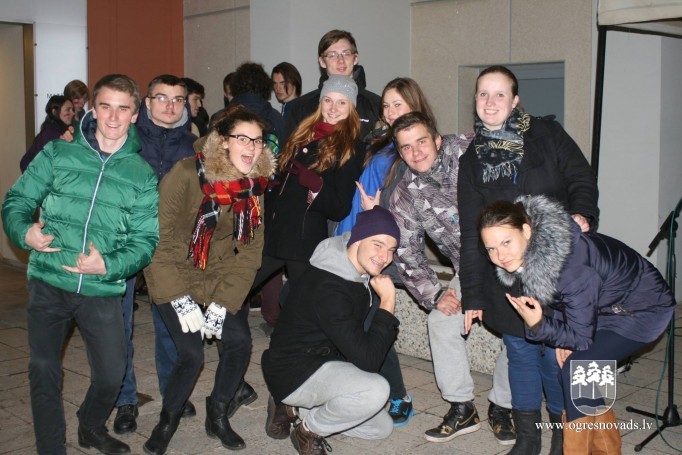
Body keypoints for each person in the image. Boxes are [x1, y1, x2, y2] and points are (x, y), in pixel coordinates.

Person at [2, 73, 159, 455]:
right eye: (105, 106)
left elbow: (145, 241)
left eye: (123, 108)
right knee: (43, 370)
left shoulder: (141, 174)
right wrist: (24, 231)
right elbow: (17, 201)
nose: (113, 117)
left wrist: (108, 265)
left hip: (100, 289)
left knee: (111, 374)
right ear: (92, 108)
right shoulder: (58, 153)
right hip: (49, 281)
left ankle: (90, 426)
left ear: (135, 115)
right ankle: (51, 448)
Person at [458, 65, 600, 455]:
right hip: (505, 272)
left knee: (556, 355)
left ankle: (563, 438)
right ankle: (527, 439)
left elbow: (581, 178)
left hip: (558, 265)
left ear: (515, 100)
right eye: (482, 94)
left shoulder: (546, 134)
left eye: (499, 94)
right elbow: (471, 231)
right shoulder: (471, 159)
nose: (490, 102)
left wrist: (584, 214)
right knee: (520, 353)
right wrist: (473, 295)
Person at [478, 195, 675, 454]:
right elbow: (563, 300)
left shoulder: (570, 264)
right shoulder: (541, 249)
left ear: (526, 230)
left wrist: (539, 325)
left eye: (506, 242)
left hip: (642, 310)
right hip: (606, 306)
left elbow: (579, 329)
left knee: (577, 368)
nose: (500, 256)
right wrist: (563, 334)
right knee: (585, 373)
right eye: (491, 249)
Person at [142, 105, 275, 454]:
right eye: (242, 138)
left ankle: (217, 413)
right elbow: (159, 241)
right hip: (176, 271)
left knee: (240, 342)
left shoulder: (253, 186)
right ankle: (167, 420)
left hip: (218, 276)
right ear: (223, 140)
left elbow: (249, 251)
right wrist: (177, 296)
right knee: (191, 354)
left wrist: (223, 302)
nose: (251, 148)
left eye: (257, 141)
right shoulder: (187, 174)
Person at [386, 111, 514, 445]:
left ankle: (503, 405)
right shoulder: (406, 193)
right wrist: (435, 293)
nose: (416, 152)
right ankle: (462, 407)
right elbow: (406, 252)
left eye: (422, 142)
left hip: (513, 261)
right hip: (469, 270)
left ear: (437, 139)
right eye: (406, 147)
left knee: (519, 329)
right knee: (441, 322)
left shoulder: (470, 151)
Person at [332, 77, 437, 428]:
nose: (391, 112)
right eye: (387, 106)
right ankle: (369, 392)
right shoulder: (380, 141)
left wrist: (377, 215)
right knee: (358, 322)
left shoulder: (413, 148)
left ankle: (397, 395)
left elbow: (414, 205)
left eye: (398, 105)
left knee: (370, 322)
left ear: (414, 105)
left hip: (379, 246)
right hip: (353, 235)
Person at [262, 206, 401, 455]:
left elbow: (359, 345)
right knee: (376, 389)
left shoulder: (351, 271)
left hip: (322, 363)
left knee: (381, 428)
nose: (384, 256)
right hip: (293, 371)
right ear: (357, 240)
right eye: (378, 245)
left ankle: (292, 409)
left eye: (391, 250)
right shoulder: (329, 286)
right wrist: (388, 302)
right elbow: (369, 360)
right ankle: (308, 431)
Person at [251, 75, 366, 330]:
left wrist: (317, 186)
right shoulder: (304, 132)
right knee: (239, 287)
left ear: (351, 108)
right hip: (275, 233)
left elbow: (340, 207)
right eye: (328, 100)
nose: (333, 108)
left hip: (303, 242)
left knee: (303, 311)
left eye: (342, 102)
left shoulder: (351, 147)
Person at [284, 29, 380, 142]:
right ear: (322, 62)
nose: (341, 60)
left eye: (346, 54)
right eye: (332, 55)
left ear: (355, 58)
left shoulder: (376, 106)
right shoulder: (301, 108)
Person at [20, 95, 75, 172]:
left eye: (72, 109)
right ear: (54, 112)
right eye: (68, 109)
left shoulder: (54, 128)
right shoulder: (52, 134)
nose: (72, 113)